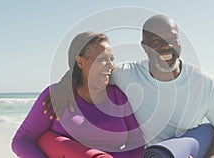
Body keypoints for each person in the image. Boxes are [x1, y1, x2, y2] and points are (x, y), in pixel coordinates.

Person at [43, 15, 214, 158]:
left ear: (179, 41)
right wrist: (64, 84)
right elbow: (92, 73)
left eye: (171, 39)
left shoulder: (205, 83)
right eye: (155, 41)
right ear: (144, 46)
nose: (165, 46)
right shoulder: (127, 74)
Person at [11, 31, 144, 158]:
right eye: (103, 59)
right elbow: (22, 140)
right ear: (80, 62)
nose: (111, 65)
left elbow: (136, 143)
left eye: (112, 59)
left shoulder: (118, 97)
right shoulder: (57, 95)